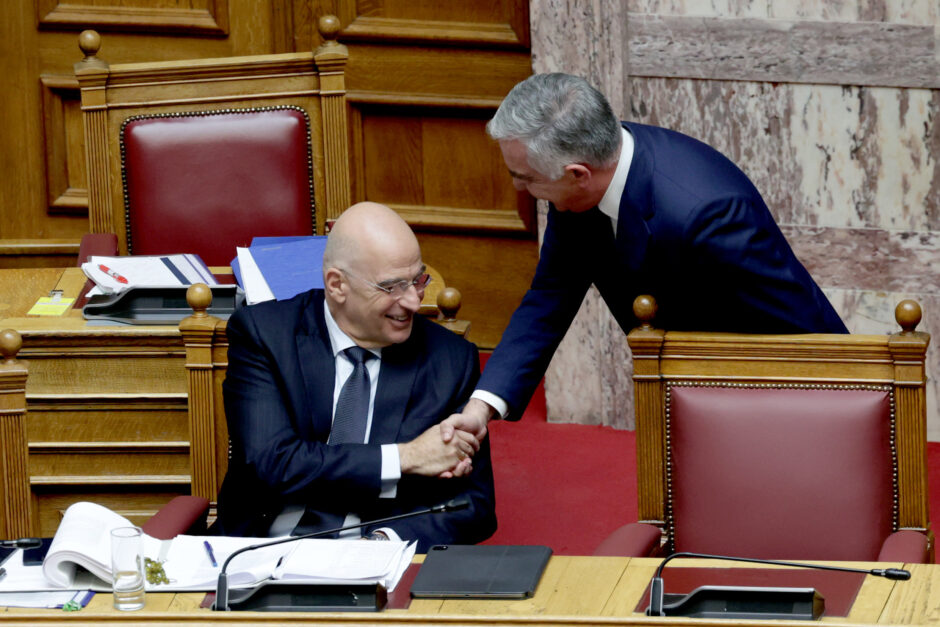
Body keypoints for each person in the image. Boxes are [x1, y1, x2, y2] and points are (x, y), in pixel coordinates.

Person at [441, 72, 848, 468]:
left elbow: (800, 332)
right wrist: (481, 407)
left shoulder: (706, 213)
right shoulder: (578, 180)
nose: (519, 189)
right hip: (689, 396)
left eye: (526, 179)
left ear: (578, 174)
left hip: (771, 406)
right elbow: (550, 297)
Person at [214, 202, 496, 551]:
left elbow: (473, 505)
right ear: (337, 285)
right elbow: (272, 464)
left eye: (417, 280)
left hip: (379, 561)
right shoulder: (266, 335)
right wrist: (404, 458)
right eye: (392, 287)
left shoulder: (450, 360)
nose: (413, 301)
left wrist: (381, 544)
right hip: (259, 553)